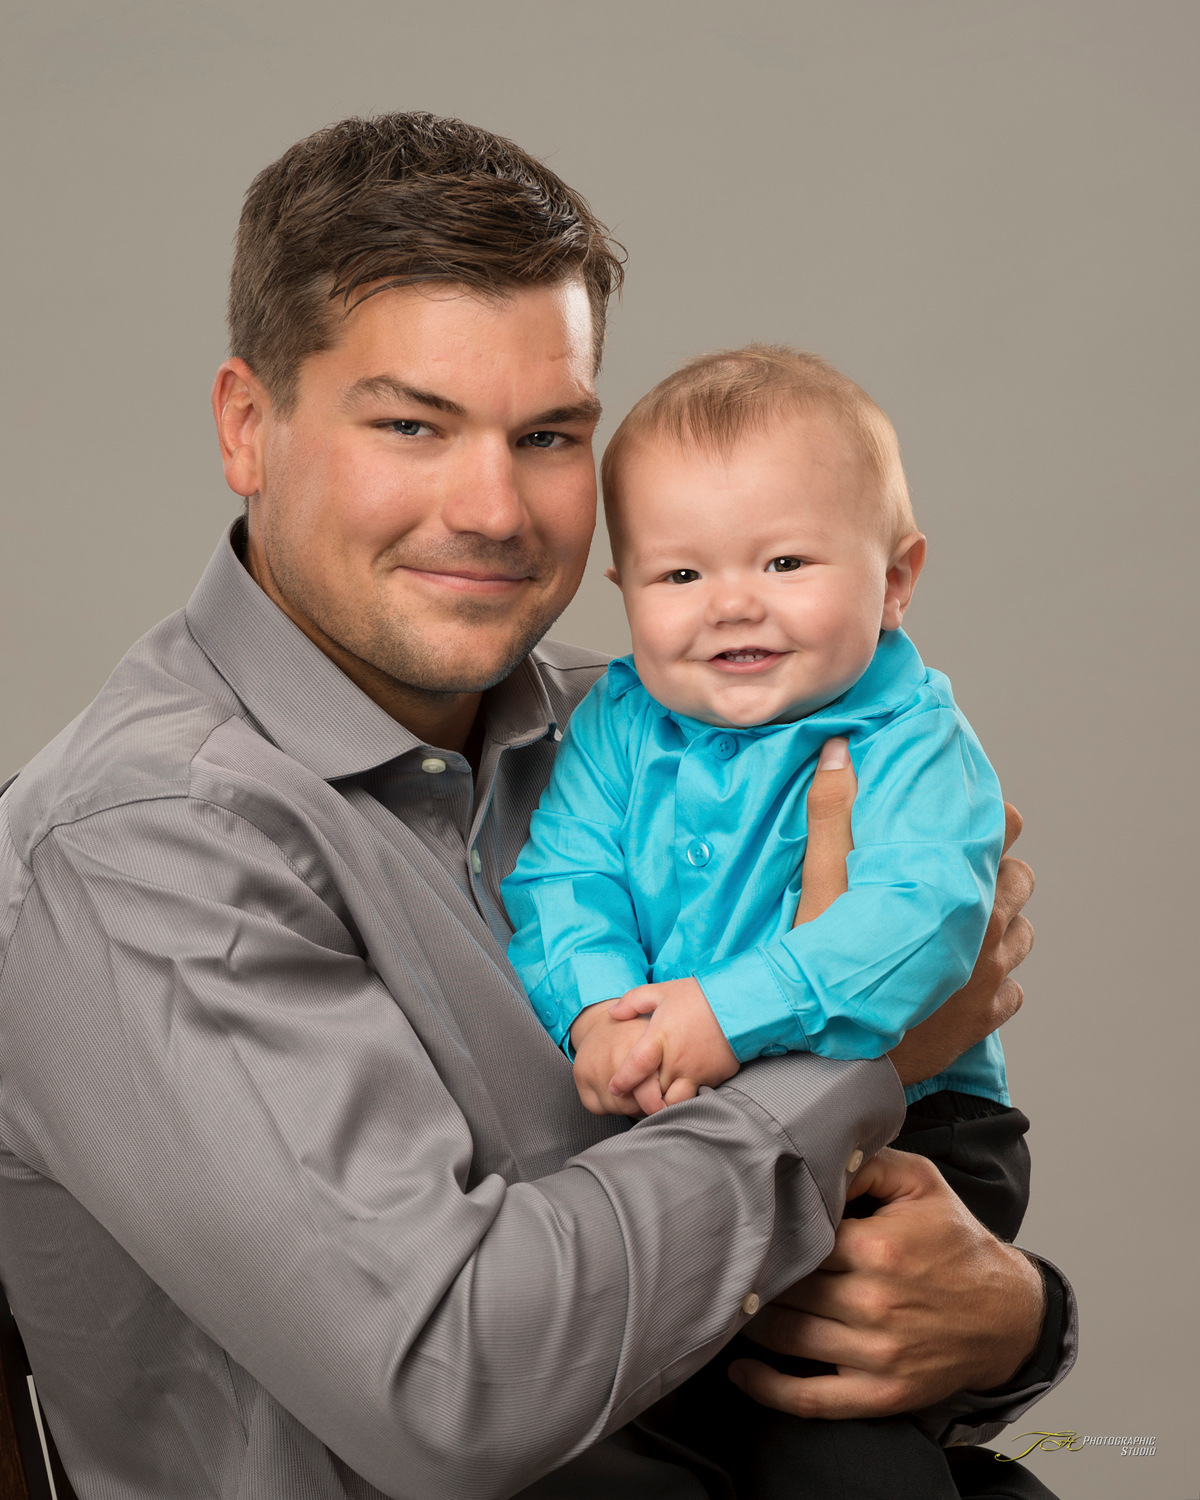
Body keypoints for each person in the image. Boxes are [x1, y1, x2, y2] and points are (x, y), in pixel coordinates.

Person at [0, 112, 1069, 1499]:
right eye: (411, 425)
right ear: (248, 427)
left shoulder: (639, 727)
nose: (496, 508)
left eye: (551, 433)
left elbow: (815, 1290)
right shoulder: (141, 846)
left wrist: (1011, 1326)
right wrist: (862, 1057)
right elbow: (458, 1387)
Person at [501, 345, 1034, 1495]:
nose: (733, 603)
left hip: (913, 1136)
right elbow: (564, 879)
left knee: (835, 1426)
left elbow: (925, 918)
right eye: (678, 576)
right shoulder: (617, 724)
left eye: (786, 561)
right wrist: (595, 1005)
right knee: (662, 1412)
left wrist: (722, 1017)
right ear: (627, 591)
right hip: (679, 1144)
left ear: (895, 580)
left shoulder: (911, 739)